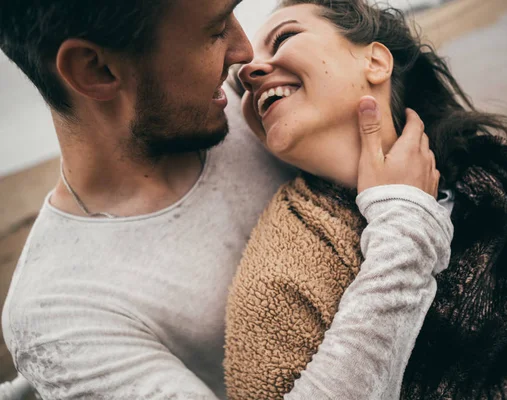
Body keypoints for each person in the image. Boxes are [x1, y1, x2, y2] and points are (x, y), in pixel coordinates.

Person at [0, 1, 452, 399]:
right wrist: (405, 235)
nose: (243, 53)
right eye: (215, 30)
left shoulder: (254, 114)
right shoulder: (60, 314)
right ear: (96, 69)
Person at [224, 0, 507, 399]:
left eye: (284, 38)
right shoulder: (278, 275)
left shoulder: (492, 175)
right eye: (237, 85)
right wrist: (402, 218)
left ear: (376, 62)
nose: (248, 72)